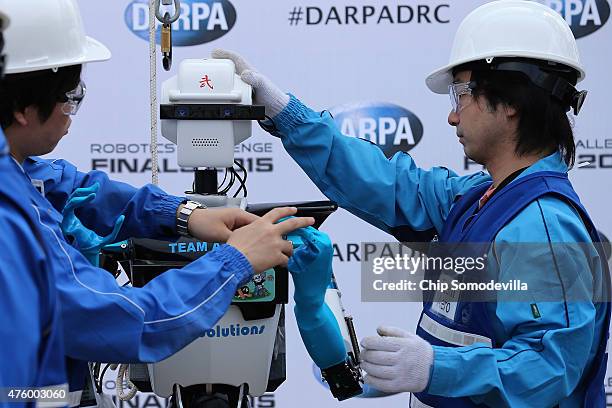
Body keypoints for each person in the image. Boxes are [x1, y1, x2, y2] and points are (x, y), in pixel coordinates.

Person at [213, 0, 610, 406]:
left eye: (461, 95)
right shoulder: (478, 198)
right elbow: (384, 184)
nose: (453, 118)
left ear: (512, 102)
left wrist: (436, 368)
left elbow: (550, 368)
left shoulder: (540, 225)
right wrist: (286, 112)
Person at [0, 0, 313, 403]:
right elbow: (133, 322)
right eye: (69, 97)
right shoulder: (11, 217)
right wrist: (236, 261)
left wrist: (186, 216)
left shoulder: (21, 172)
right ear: (22, 109)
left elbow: (76, 185)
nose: (70, 113)